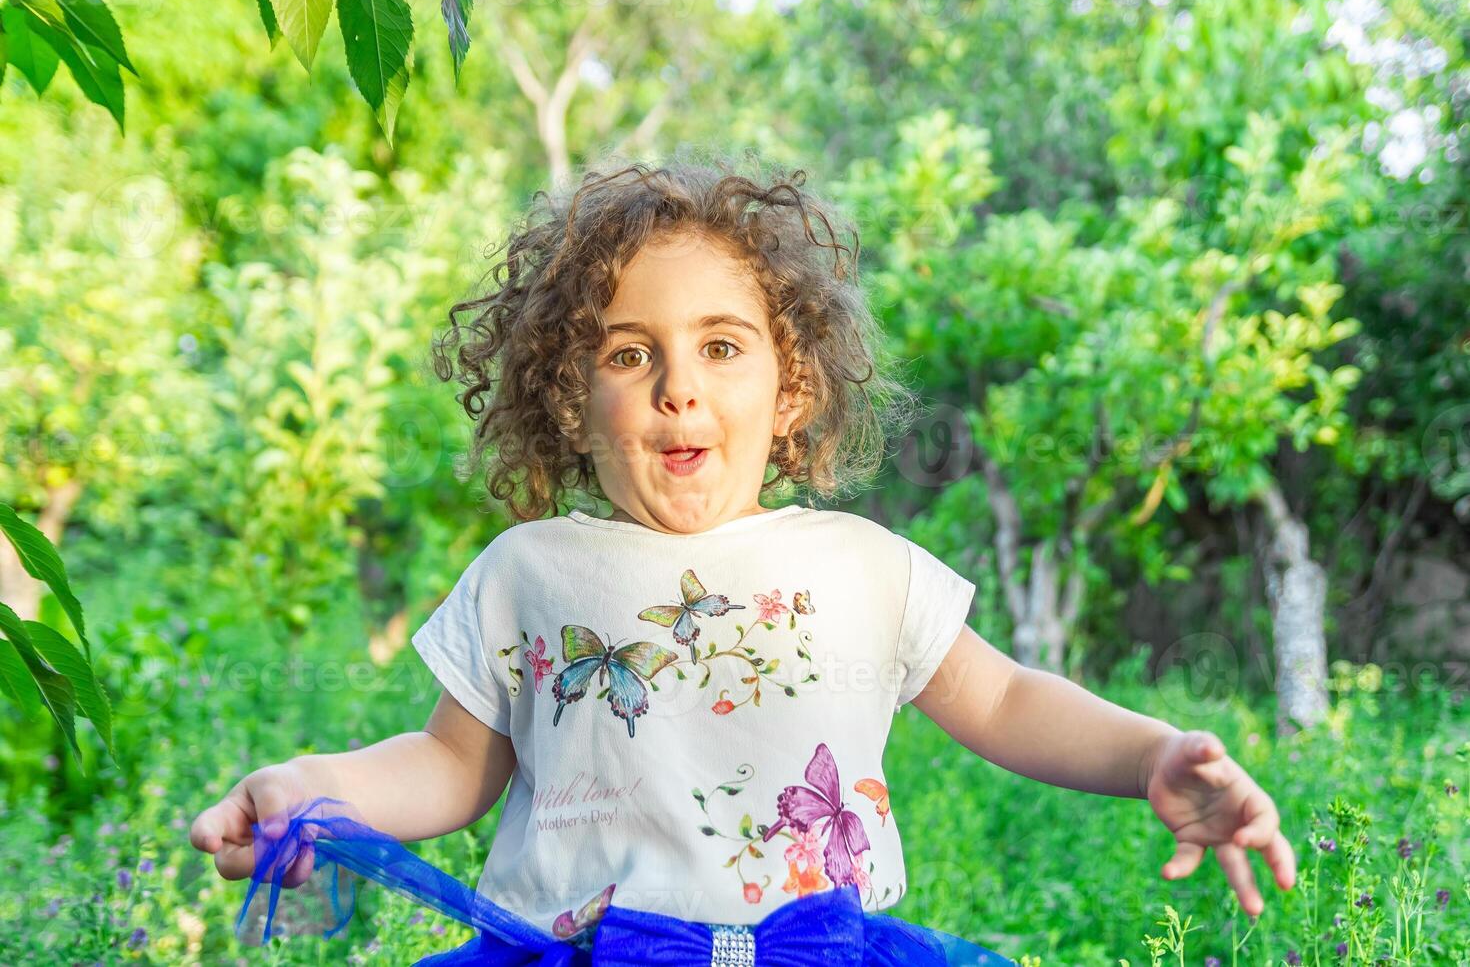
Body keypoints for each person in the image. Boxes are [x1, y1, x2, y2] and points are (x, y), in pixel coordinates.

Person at [189, 154, 1297, 965]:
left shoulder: (861, 565)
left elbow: (1004, 697)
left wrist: (1152, 753)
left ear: (794, 387)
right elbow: (447, 767)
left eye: (723, 346)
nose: (681, 386)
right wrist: (314, 790)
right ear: (571, 399)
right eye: (632, 354)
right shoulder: (529, 570)